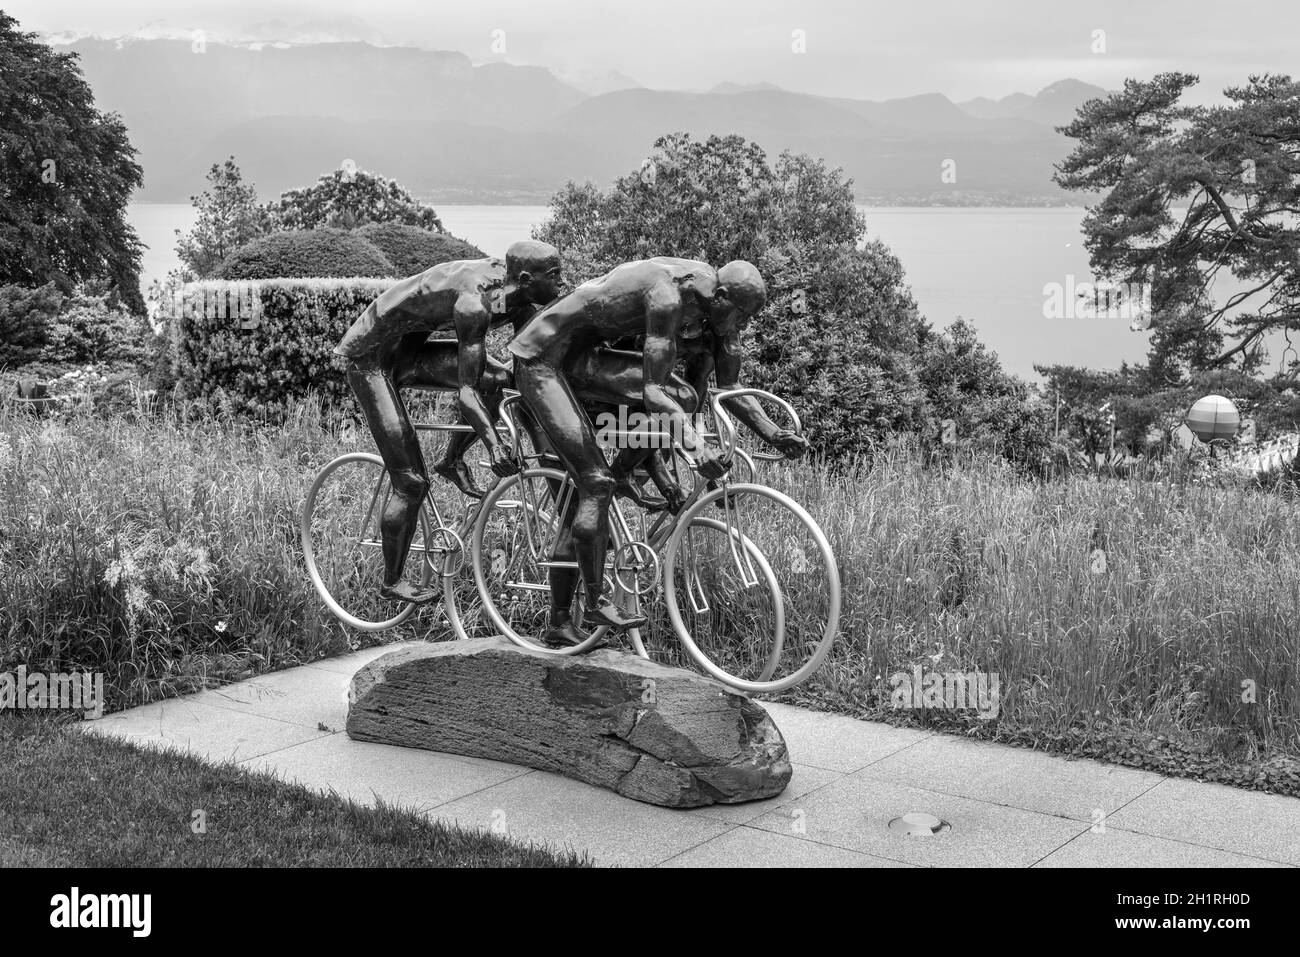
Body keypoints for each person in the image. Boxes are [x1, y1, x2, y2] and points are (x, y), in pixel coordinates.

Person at [507, 257, 768, 646]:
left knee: (682, 398)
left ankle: (619, 476)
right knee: (593, 487)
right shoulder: (668, 297)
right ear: (721, 297)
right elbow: (652, 395)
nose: (743, 326)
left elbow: (713, 394)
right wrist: (695, 448)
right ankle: (591, 603)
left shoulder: (704, 303)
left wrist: (774, 433)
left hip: (581, 358)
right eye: (742, 316)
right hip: (540, 361)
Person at [335, 240, 564, 604]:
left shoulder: (520, 297)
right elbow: (466, 393)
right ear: (525, 278)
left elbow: (528, 364)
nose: (561, 283)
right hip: (371, 360)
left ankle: (452, 460)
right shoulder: (475, 303)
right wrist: (495, 444)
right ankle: (392, 581)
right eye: (554, 275)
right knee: (411, 482)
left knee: (497, 379)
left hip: (410, 348)